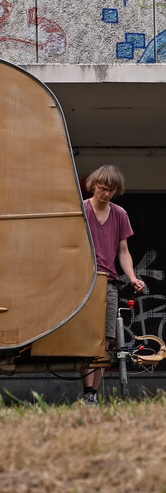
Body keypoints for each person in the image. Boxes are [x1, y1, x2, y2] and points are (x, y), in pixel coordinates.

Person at [81, 165, 146, 405]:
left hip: (108, 282)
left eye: (110, 190)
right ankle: (87, 390)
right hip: (82, 282)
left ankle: (92, 395)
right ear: (94, 186)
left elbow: (123, 251)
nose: (105, 193)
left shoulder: (119, 214)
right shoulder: (81, 210)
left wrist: (132, 277)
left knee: (105, 339)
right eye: (102, 188)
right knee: (85, 338)